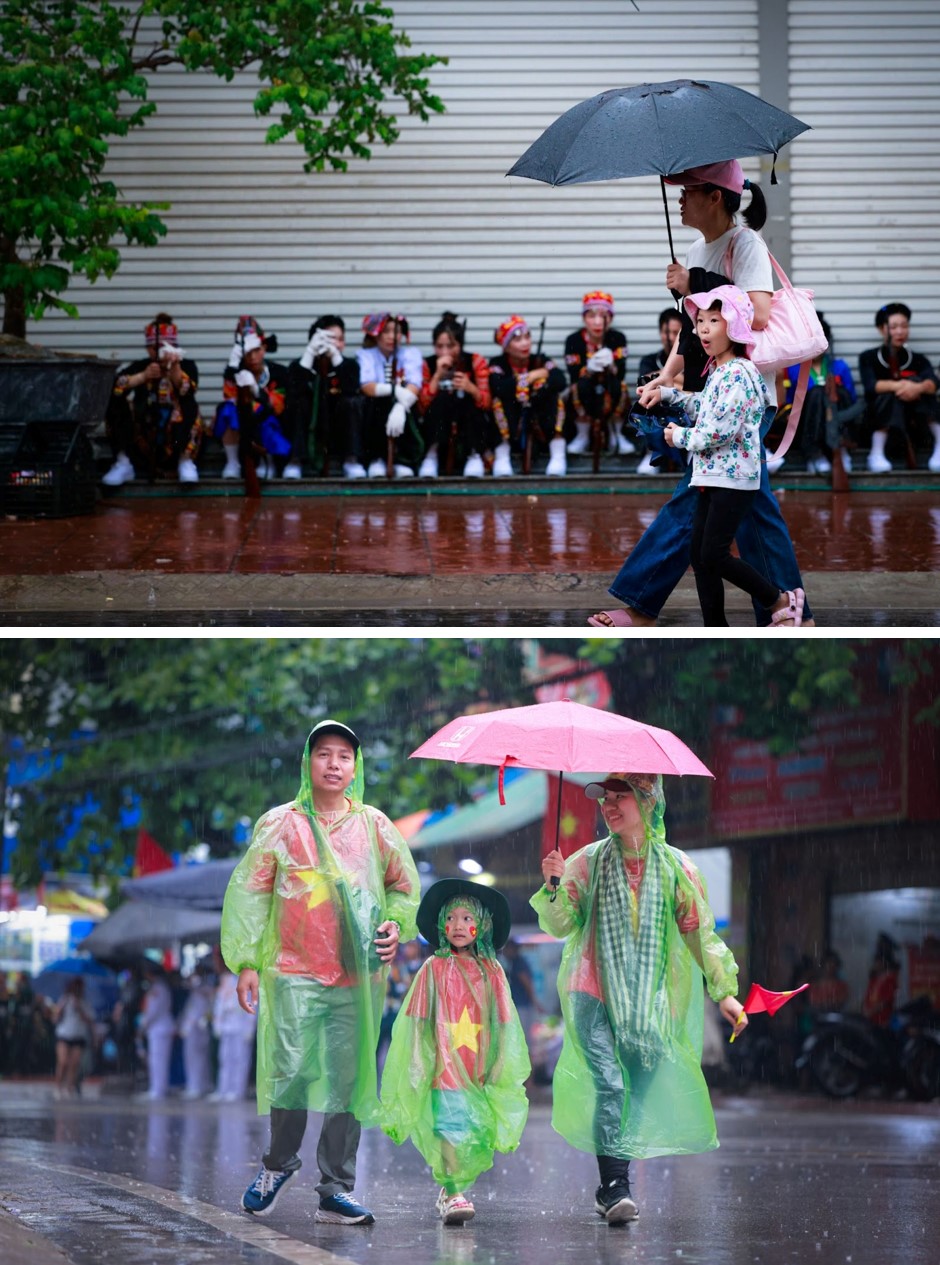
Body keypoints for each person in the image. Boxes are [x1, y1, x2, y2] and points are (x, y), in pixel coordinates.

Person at [589, 160, 814, 629]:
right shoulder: (695, 247)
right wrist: (664, 379)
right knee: (749, 510)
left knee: (697, 504)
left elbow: (756, 313)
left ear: (714, 196)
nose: (679, 197)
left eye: (688, 189)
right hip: (709, 395)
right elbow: (692, 334)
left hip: (742, 400)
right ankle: (789, 612)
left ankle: (642, 605)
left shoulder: (744, 242)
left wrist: (695, 284)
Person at [220, 718, 420, 1225]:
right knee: (289, 1073)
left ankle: (335, 1188)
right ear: (308, 762)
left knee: (349, 1082)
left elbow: (402, 887)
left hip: (358, 973)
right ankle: (278, 1164)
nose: (335, 764)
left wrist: (396, 924)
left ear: (356, 768)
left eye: (345, 756)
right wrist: (245, 960)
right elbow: (250, 892)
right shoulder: (281, 824)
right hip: (292, 971)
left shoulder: (375, 825)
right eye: (325, 754)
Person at [534, 772, 745, 1225]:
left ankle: (612, 1181)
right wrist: (553, 886)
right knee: (610, 1084)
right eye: (604, 799)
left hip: (650, 1002)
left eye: (619, 798)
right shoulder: (587, 862)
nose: (608, 806)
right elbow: (560, 924)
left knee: (635, 1092)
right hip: (592, 991)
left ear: (649, 801)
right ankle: (615, 1187)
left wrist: (724, 992)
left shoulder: (677, 870)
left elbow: (700, 935)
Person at [381, 878, 530, 1226]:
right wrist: (419, 1058)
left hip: (477, 1066)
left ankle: (453, 1186)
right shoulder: (433, 968)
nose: (459, 926)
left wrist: (500, 1063)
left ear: (482, 926)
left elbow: (504, 1023)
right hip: (444, 1067)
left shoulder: (491, 972)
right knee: (449, 1125)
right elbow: (417, 1020)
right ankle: (452, 1190)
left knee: (473, 1130)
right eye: (452, 918)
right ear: (441, 925)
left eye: (467, 918)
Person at [655, 286, 806, 627]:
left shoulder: (739, 372)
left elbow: (718, 431)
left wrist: (677, 436)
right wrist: (668, 394)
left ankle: (779, 599)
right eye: (700, 321)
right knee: (700, 555)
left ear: (735, 327)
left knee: (713, 554)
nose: (703, 329)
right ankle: (715, 627)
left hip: (733, 479)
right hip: (713, 475)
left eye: (714, 320)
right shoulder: (719, 370)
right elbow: (707, 408)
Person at [103, 314, 205, 486]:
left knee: (190, 405)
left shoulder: (187, 365)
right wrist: (142, 377)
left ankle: (185, 461)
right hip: (144, 439)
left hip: (175, 439)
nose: (158, 352)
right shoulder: (142, 366)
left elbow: (187, 389)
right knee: (115, 401)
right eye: (153, 347)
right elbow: (115, 387)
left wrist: (175, 369)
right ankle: (123, 462)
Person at [858, 303, 940, 473]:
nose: (900, 332)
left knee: (922, 388)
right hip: (880, 422)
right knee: (888, 394)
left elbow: (933, 384)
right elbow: (871, 386)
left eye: (904, 326)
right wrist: (901, 386)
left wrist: (917, 387)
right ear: (882, 329)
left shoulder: (918, 359)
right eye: (894, 327)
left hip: (916, 422)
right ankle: (876, 453)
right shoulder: (869, 357)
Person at [782, 315, 865, 475]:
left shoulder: (839, 367)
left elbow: (851, 399)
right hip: (807, 424)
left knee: (840, 392)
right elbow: (790, 402)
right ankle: (815, 454)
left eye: (820, 339)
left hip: (837, 419)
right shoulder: (793, 368)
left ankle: (841, 450)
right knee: (816, 393)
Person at [285, 316, 365, 478]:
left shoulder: (349, 365)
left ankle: (351, 460)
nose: (336, 344)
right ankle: (295, 460)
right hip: (309, 429)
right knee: (297, 402)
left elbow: (351, 389)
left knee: (352, 402)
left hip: (339, 430)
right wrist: (310, 353)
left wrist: (335, 357)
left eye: (340, 339)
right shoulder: (299, 366)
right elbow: (293, 392)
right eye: (330, 339)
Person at [488, 315, 568, 476]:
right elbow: (498, 387)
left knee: (554, 396)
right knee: (497, 402)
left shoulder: (540, 360)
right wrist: (529, 377)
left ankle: (558, 453)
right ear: (506, 346)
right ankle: (502, 455)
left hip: (540, 419)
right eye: (517, 339)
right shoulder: (498, 363)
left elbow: (560, 380)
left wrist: (540, 375)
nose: (525, 343)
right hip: (512, 421)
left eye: (527, 337)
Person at [417, 313, 494, 478]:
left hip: (467, 422)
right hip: (439, 421)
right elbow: (422, 405)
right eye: (439, 346)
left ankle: (474, 455)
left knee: (464, 399)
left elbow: (486, 403)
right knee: (442, 399)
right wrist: (437, 376)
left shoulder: (474, 361)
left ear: (460, 344)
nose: (445, 352)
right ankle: (431, 455)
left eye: (451, 346)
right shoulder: (428, 364)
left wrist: (471, 388)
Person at [214, 316, 290, 481]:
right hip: (242, 428)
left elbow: (277, 406)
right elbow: (229, 398)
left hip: (268, 426)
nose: (253, 356)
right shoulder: (234, 373)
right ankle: (233, 463)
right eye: (248, 352)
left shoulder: (279, 372)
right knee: (226, 410)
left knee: (266, 415)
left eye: (257, 350)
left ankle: (266, 461)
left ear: (264, 348)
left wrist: (256, 391)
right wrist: (234, 370)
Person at [563, 291, 634, 459]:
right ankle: (583, 433)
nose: (597, 322)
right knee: (576, 387)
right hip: (585, 389)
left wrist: (611, 366)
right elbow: (573, 374)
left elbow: (621, 373)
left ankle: (615, 431)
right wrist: (588, 369)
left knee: (621, 386)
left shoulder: (617, 338)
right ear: (583, 318)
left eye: (603, 316)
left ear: (610, 318)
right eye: (591, 316)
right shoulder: (574, 341)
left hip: (610, 388)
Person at [356, 313, 424, 477]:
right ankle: (377, 458)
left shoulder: (410, 354)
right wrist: (393, 390)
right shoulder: (366, 355)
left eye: (397, 331)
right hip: (377, 408)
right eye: (386, 331)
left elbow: (415, 384)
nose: (392, 337)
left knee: (411, 406)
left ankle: (402, 460)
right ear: (376, 334)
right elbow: (367, 385)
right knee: (376, 404)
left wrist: (401, 406)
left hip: (403, 403)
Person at [635, 307, 685, 475]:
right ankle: (652, 450)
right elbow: (644, 381)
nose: (670, 338)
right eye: (666, 332)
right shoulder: (650, 360)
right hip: (658, 408)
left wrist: (665, 379)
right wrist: (673, 380)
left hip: (683, 411)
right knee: (649, 394)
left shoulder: (692, 360)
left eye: (675, 333)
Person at [211, 965, 257, 1102]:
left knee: (240, 1060)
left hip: (240, 1028)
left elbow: (250, 1008)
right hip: (227, 1028)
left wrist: (249, 1030)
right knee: (225, 1059)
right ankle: (223, 1089)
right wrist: (217, 1026)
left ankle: (237, 1091)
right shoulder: (224, 987)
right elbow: (218, 1008)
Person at [53, 977, 95, 1100]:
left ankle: (69, 1087)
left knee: (74, 1064)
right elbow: (56, 1018)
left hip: (78, 1035)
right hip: (64, 1035)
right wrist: (61, 1008)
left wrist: (79, 1009)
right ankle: (58, 1086)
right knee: (63, 1062)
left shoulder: (85, 1002)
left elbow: (90, 1020)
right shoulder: (64, 1000)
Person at [139, 963, 176, 1100]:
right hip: (157, 1028)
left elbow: (153, 1010)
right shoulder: (158, 987)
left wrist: (143, 1024)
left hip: (160, 1028)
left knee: (158, 1061)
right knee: (156, 1060)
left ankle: (158, 1090)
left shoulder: (158, 988)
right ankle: (157, 1088)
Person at [177, 966, 215, 1099]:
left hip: (198, 1028)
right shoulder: (196, 991)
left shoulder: (205, 990)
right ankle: (195, 1085)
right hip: (191, 1028)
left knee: (197, 1058)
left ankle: (197, 1086)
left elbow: (205, 1010)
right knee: (192, 1058)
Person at [861, 932, 901, 1028]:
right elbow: (867, 996)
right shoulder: (874, 978)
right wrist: (864, 1011)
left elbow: (885, 1001)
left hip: (883, 1020)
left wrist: (870, 1012)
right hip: (870, 1019)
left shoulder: (892, 977)